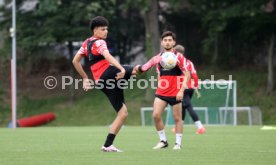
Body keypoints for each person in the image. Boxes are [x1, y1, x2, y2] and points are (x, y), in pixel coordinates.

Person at [72, 16, 137, 152]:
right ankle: (158, 61)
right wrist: (121, 69)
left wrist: (85, 78)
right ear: (95, 30)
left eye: (107, 29)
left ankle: (107, 145)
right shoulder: (99, 42)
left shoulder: (86, 43)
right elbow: (107, 56)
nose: (106, 31)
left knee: (123, 113)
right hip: (108, 74)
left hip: (101, 82)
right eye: (103, 29)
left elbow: (75, 61)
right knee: (136, 69)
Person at [134, 31, 190, 150]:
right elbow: (144, 67)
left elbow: (187, 74)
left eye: (170, 40)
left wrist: (181, 91)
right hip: (162, 92)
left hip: (176, 92)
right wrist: (132, 70)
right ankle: (163, 141)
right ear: (162, 42)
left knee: (177, 119)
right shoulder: (158, 58)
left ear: (174, 42)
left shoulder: (179, 57)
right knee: (156, 115)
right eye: (165, 40)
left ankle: (178, 143)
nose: (167, 42)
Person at [172, 44, 206, 134]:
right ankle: (178, 127)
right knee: (183, 106)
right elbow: (194, 75)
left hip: (183, 88)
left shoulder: (175, 62)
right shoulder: (189, 62)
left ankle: (200, 127)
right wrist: (197, 88)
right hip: (190, 88)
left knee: (188, 106)